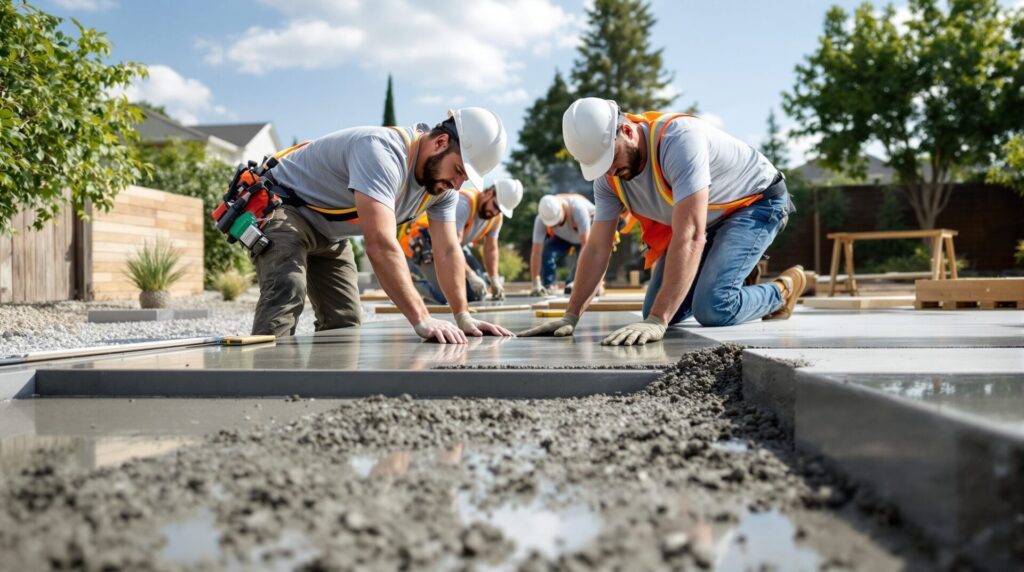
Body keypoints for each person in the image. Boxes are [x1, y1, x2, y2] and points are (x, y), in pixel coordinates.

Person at [521, 97, 806, 346]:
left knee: (713, 308)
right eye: (601, 165)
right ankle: (730, 272)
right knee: (655, 310)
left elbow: (691, 235)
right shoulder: (608, 179)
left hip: (755, 203)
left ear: (627, 131)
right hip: (707, 219)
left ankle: (783, 290)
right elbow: (597, 249)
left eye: (611, 157)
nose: (610, 170)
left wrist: (659, 320)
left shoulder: (679, 141)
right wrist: (571, 315)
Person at [251, 107, 514, 344]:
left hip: (329, 232)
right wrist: (422, 318)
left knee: (345, 320)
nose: (457, 185)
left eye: (464, 178)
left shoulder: (441, 191)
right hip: (284, 206)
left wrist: (462, 315)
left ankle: (323, 383)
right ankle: (263, 377)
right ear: (440, 142)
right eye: (458, 170)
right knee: (286, 291)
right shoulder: (381, 152)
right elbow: (380, 245)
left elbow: (447, 250)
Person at [400, 179, 523, 303]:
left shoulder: (496, 218)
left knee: (477, 293)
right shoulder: (463, 203)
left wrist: (494, 279)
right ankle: (407, 284)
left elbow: (491, 249)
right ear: (490, 193)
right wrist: (470, 275)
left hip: (454, 246)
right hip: (424, 245)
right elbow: (449, 245)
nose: (495, 212)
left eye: (500, 210)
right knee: (447, 297)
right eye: (495, 206)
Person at [528, 193, 596, 296]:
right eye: (552, 224)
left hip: (585, 239)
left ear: (562, 209)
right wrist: (535, 282)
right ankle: (550, 285)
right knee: (546, 251)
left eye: (557, 222)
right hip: (563, 238)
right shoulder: (541, 219)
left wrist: (578, 280)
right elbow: (536, 252)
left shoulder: (578, 209)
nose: (555, 225)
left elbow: (586, 247)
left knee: (571, 286)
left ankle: (591, 283)